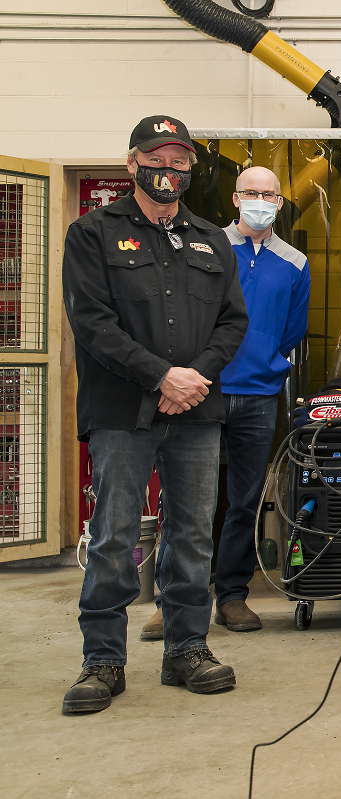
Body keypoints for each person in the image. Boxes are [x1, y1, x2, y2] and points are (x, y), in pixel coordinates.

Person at [61, 114, 249, 714]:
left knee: (192, 536)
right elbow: (91, 323)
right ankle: (102, 662)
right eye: (158, 159)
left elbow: (232, 322)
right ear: (132, 163)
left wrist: (193, 379)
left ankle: (186, 649)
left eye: (180, 162)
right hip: (123, 413)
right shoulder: (92, 233)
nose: (169, 170)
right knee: (115, 538)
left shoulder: (211, 239)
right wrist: (160, 375)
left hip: (196, 409)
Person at [194, 165, 309, 637]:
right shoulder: (207, 249)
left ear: (280, 203)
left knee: (243, 501)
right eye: (251, 193)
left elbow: (293, 331)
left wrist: (263, 359)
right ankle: (181, 596)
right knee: (191, 502)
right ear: (236, 198)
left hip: (260, 395)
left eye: (270, 194)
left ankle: (232, 596)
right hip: (204, 391)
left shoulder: (295, 263)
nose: (261, 200)